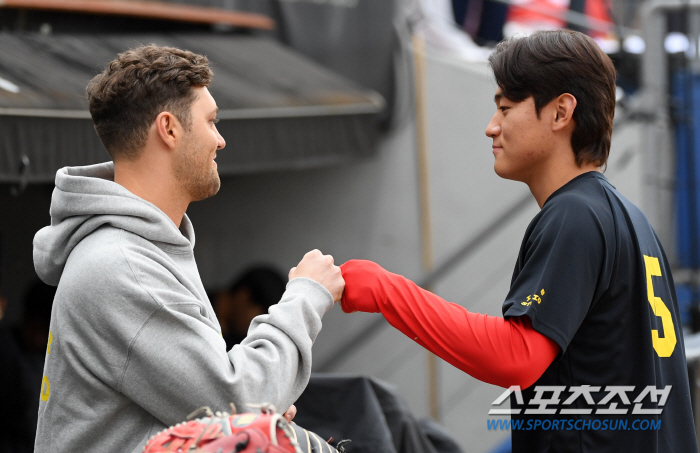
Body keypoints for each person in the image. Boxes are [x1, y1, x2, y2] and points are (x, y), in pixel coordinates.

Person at [340, 30, 697, 452]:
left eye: (506, 108)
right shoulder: (630, 218)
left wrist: (383, 289)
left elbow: (517, 356)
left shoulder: (574, 214)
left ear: (562, 111)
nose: (492, 127)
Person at [32, 44, 344, 453]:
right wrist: (307, 295)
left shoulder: (140, 251)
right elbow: (240, 397)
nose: (220, 140)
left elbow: (221, 408)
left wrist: (251, 414)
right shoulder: (124, 266)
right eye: (211, 122)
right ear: (169, 128)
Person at [211, 265, 288, 350]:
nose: (258, 328)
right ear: (243, 296)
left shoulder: (233, 336)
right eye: (260, 317)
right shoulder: (197, 310)